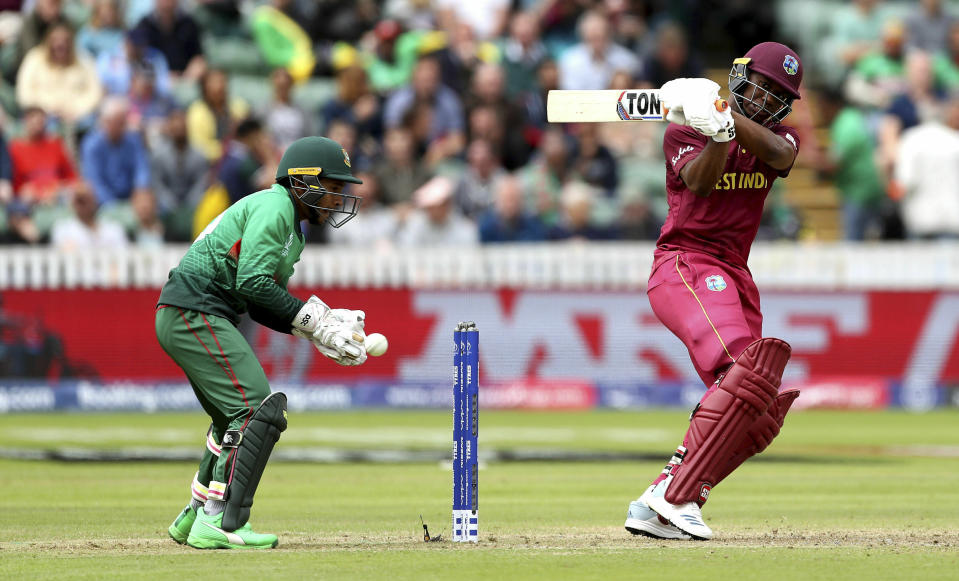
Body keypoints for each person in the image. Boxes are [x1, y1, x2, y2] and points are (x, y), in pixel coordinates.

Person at [624, 42, 804, 541]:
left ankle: (661, 499)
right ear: (741, 77)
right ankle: (674, 497)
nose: (768, 98)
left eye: (778, 94)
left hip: (735, 274)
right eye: (762, 85)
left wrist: (723, 114)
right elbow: (701, 184)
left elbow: (779, 154)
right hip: (685, 264)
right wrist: (718, 133)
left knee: (758, 406)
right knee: (744, 375)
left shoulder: (782, 136)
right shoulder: (684, 128)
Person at [156, 136, 370, 550]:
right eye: (334, 186)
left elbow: (262, 304)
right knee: (256, 409)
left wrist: (313, 329)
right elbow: (252, 283)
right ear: (305, 181)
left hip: (194, 312)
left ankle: (196, 513)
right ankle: (221, 522)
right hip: (195, 309)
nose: (339, 196)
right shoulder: (275, 206)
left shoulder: (290, 225)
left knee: (229, 417)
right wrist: (316, 322)